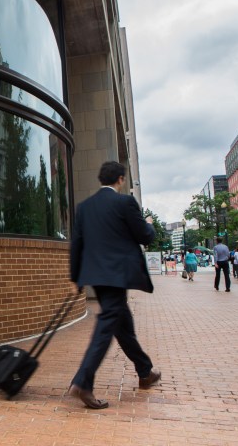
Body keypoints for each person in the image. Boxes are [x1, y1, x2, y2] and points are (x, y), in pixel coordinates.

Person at [66, 161, 161, 409]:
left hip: (95, 276)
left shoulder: (84, 207)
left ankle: (145, 371)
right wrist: (149, 223)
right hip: (117, 275)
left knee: (123, 325)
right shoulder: (125, 203)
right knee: (108, 322)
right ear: (120, 179)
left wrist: (76, 278)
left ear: (100, 179)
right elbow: (145, 235)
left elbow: (77, 244)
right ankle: (83, 381)